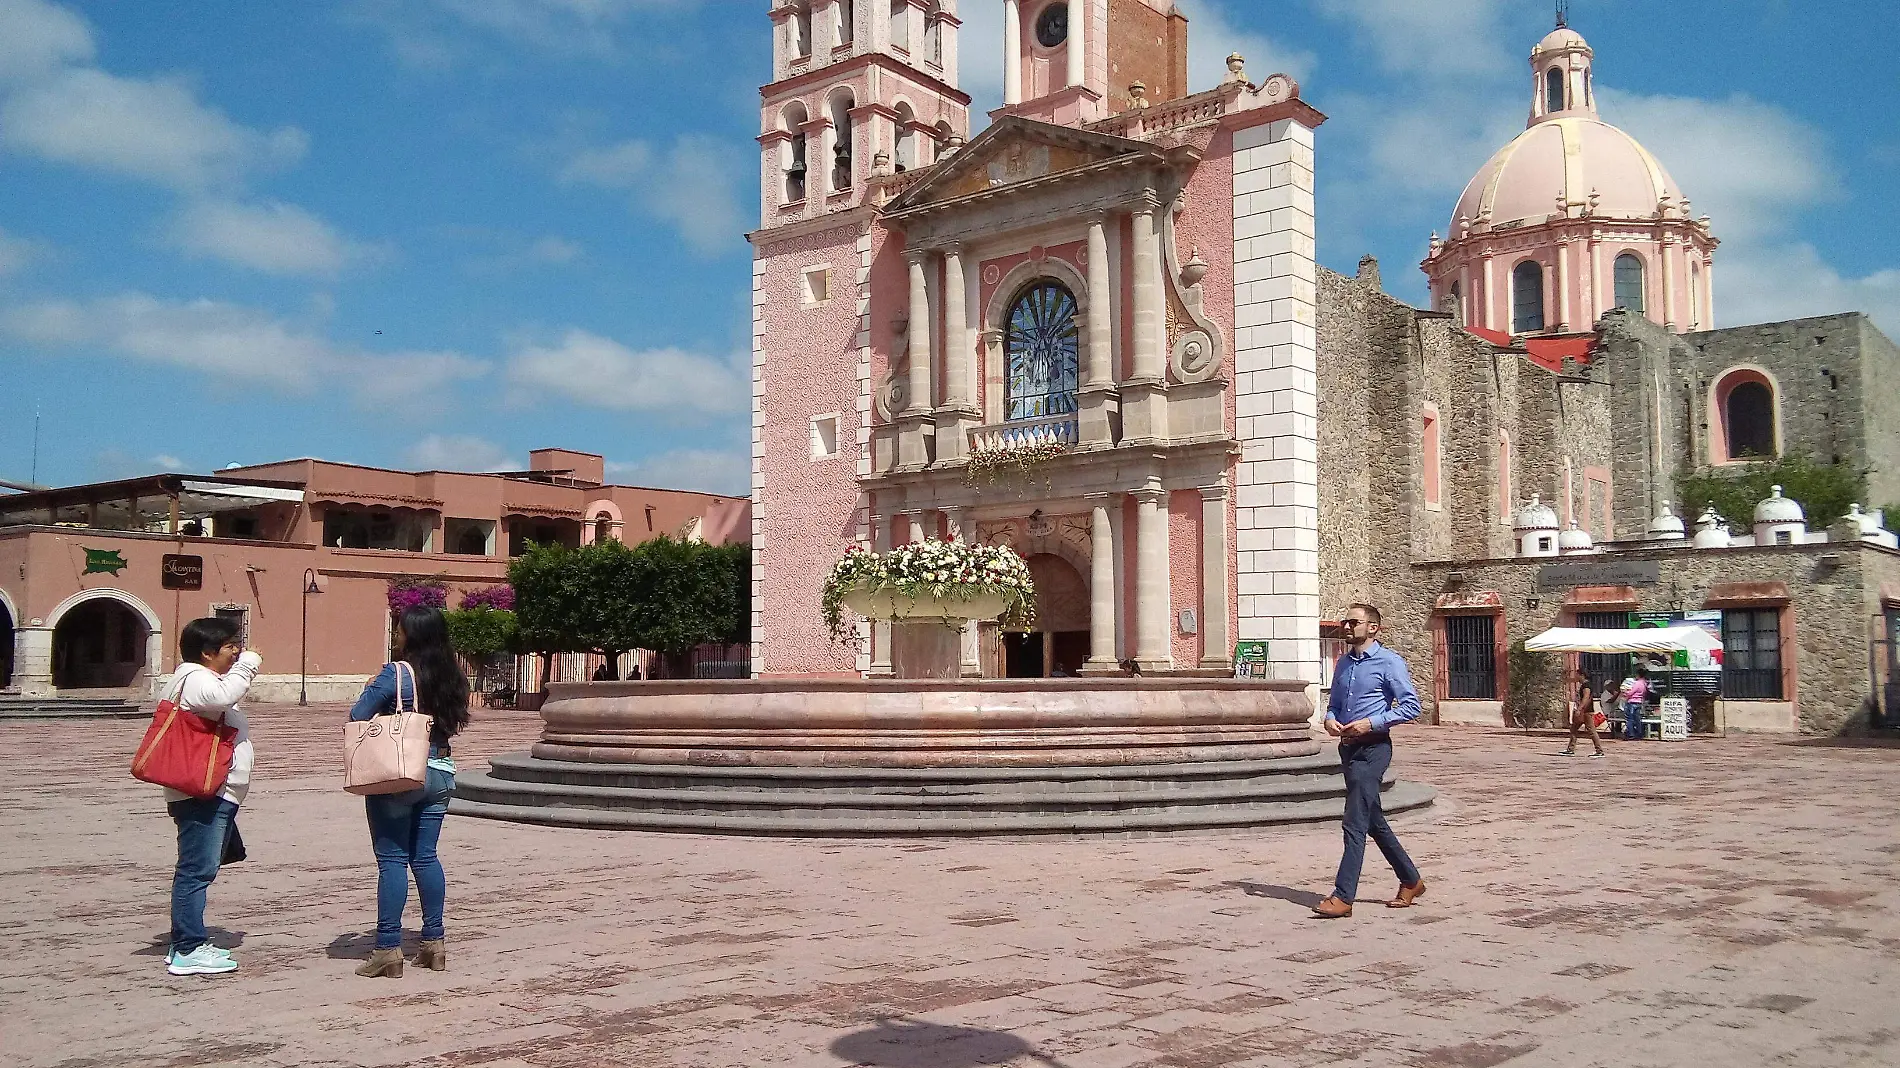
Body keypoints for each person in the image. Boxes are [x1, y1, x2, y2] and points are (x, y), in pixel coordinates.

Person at [348, 607, 471, 978]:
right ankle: (434, 942)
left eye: (399, 630)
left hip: (401, 773)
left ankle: (388, 948)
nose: (396, 636)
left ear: (411, 635)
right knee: (426, 857)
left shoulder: (396, 673)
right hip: (440, 771)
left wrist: (373, 689)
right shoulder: (452, 674)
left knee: (392, 859)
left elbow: (357, 714)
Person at [162, 617, 262, 976]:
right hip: (203, 792)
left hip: (214, 791)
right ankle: (188, 947)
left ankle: (186, 941)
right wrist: (250, 664)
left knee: (201, 866)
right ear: (207, 652)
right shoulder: (198, 679)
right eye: (230, 646)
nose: (236, 651)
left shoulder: (198, 678)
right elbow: (224, 697)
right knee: (196, 870)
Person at [1312, 603, 1425, 919]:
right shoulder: (1343, 663)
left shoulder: (1390, 663)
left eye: (1353, 622)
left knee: (1354, 820)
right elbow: (1333, 704)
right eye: (1345, 622)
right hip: (1347, 749)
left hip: (1374, 750)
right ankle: (1411, 880)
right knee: (1372, 819)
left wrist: (1371, 723)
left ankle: (1343, 896)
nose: (1346, 627)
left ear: (1373, 627)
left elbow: (1411, 707)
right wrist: (1330, 720)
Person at [1559, 672, 1606, 757]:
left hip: (1586, 712)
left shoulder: (1586, 686)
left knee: (1591, 731)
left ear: (1582, 675)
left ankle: (1599, 751)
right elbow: (1571, 681)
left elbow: (1586, 698)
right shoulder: (1584, 684)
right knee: (1573, 729)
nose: (1576, 676)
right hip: (1584, 711)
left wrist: (1579, 709)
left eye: (1577, 674)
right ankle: (1570, 749)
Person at [1622, 668, 1650, 741]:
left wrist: (1625, 693)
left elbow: (1631, 692)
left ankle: (1631, 734)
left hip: (1632, 702)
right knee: (1637, 719)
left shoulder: (1637, 683)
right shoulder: (1644, 683)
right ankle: (1639, 733)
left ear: (1638, 675)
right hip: (1639, 702)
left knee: (1629, 719)